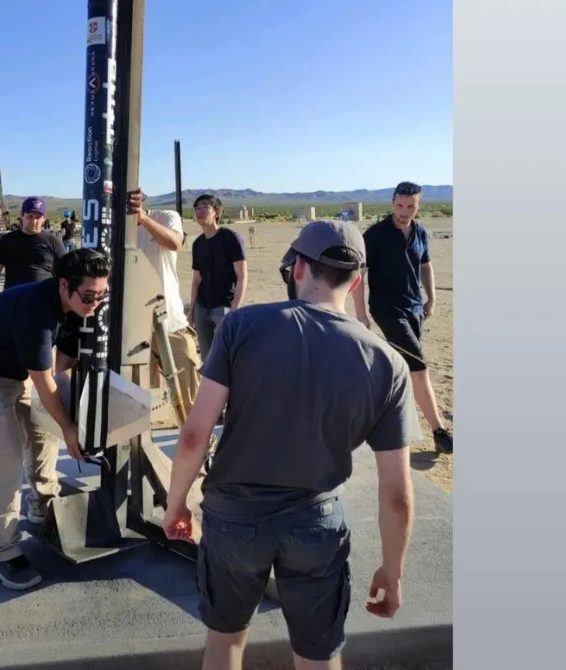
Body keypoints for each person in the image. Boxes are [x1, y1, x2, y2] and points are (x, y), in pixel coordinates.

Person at [163, 220, 417, 670]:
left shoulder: (241, 326)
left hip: (233, 520)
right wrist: (392, 571)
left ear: (297, 267)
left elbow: (193, 435)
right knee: (318, 657)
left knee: (225, 643)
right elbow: (397, 494)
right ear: (355, 279)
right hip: (316, 523)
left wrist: (177, 503)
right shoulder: (388, 363)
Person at [0, 249, 108, 591]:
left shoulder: (78, 306)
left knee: (44, 432)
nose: (95, 304)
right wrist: (70, 428)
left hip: (15, 370)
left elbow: (62, 369)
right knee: (6, 454)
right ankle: (2, 551)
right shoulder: (36, 311)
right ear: (63, 286)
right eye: (88, 296)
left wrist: (65, 420)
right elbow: (43, 381)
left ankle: (43, 505)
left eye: (101, 295)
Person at [353, 181, 453, 454]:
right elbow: (358, 276)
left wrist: (431, 298)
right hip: (387, 310)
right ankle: (439, 430)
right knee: (419, 365)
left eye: (410, 206)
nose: (404, 211)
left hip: (414, 308)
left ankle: (380, 415)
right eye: (400, 205)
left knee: (405, 366)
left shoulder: (420, 231)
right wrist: (361, 313)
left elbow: (425, 265)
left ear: (418, 206)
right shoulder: (375, 235)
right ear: (392, 203)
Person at [125, 190, 201, 420]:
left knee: (186, 383)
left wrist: (143, 219)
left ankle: (201, 445)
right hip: (135, 321)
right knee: (139, 386)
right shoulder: (116, 228)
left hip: (170, 318)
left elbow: (175, 242)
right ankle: (144, 437)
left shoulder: (166, 217)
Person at [189, 193, 248, 355]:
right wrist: (192, 310)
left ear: (217, 212)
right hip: (202, 307)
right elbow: (196, 279)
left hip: (224, 307)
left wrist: (235, 309)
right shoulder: (198, 244)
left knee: (228, 354)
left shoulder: (230, 238)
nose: (200, 211)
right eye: (197, 208)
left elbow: (242, 275)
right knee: (207, 358)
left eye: (205, 207)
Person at [0, 196, 67, 298]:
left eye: (38, 217)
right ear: (22, 215)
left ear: (44, 219)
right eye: (30, 216)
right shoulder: (6, 241)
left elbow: (67, 273)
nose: (34, 221)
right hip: (13, 302)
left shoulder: (53, 241)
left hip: (45, 302)